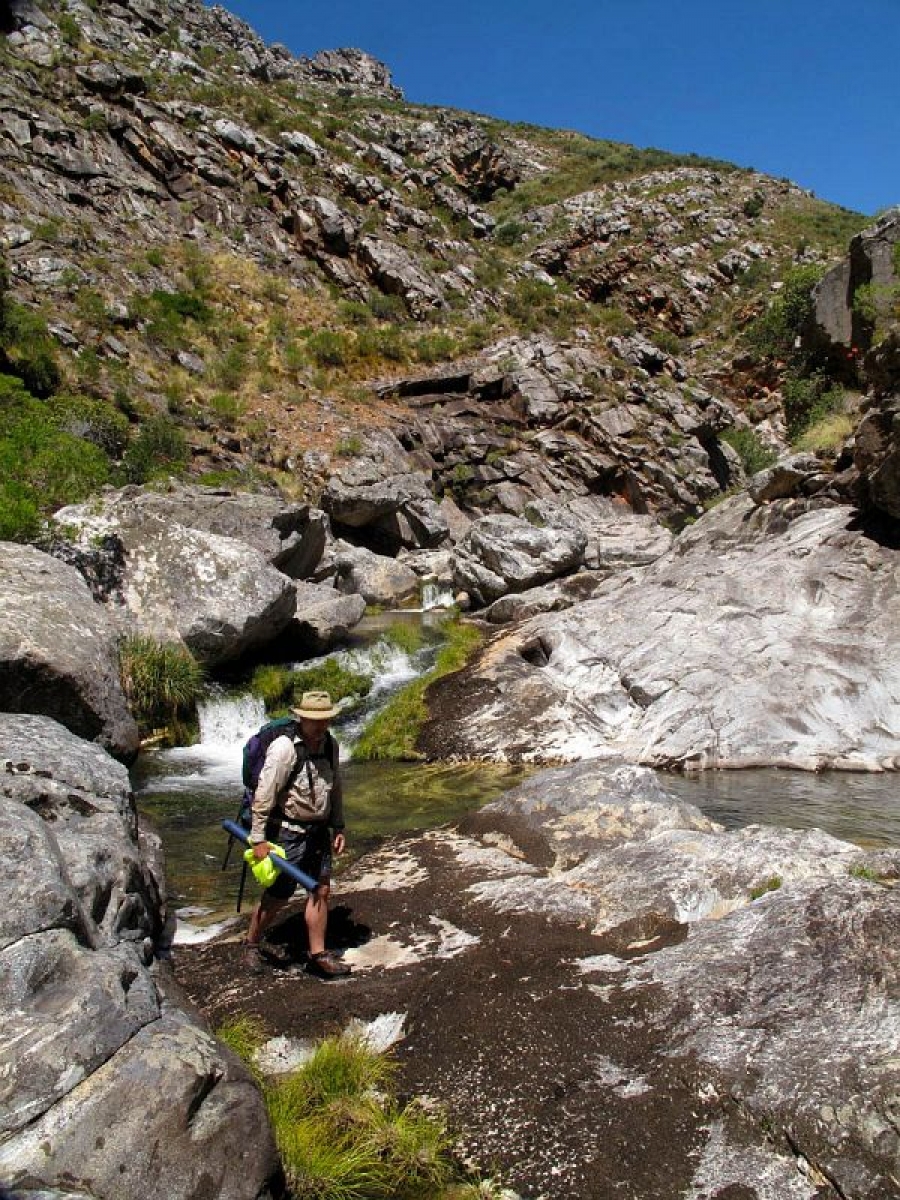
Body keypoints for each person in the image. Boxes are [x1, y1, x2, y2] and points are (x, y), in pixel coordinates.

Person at [244, 690, 350, 978]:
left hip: (318, 832)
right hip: (289, 832)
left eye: (325, 719)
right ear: (301, 717)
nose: (320, 725)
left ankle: (319, 954)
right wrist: (259, 839)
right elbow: (264, 796)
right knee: (279, 894)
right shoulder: (284, 748)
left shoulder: (330, 745)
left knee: (321, 890)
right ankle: (252, 943)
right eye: (315, 720)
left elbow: (335, 787)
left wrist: (338, 826)